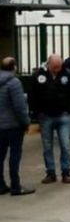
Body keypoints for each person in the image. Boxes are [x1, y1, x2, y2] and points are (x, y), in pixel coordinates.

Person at [29, 54, 70, 184]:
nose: (57, 69)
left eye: (59, 66)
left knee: (65, 145)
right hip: (45, 116)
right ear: (49, 64)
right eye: (55, 67)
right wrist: (36, 112)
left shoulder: (67, 74)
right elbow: (32, 94)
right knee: (47, 146)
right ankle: (50, 173)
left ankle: (66, 172)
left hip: (63, 115)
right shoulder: (39, 75)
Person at [0, 57, 34, 196]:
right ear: (14, 67)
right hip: (13, 126)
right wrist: (26, 122)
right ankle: (15, 186)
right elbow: (20, 107)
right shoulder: (14, 82)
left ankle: (1, 185)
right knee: (14, 156)